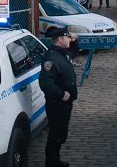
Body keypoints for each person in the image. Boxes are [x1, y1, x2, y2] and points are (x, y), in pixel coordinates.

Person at [39, 27, 78, 167]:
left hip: (65, 103)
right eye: (67, 37)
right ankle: (51, 162)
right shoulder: (51, 58)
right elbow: (45, 82)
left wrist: (75, 40)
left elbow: (73, 52)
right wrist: (61, 94)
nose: (69, 39)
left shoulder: (62, 52)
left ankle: (55, 159)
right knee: (56, 134)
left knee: (61, 132)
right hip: (57, 103)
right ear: (60, 39)